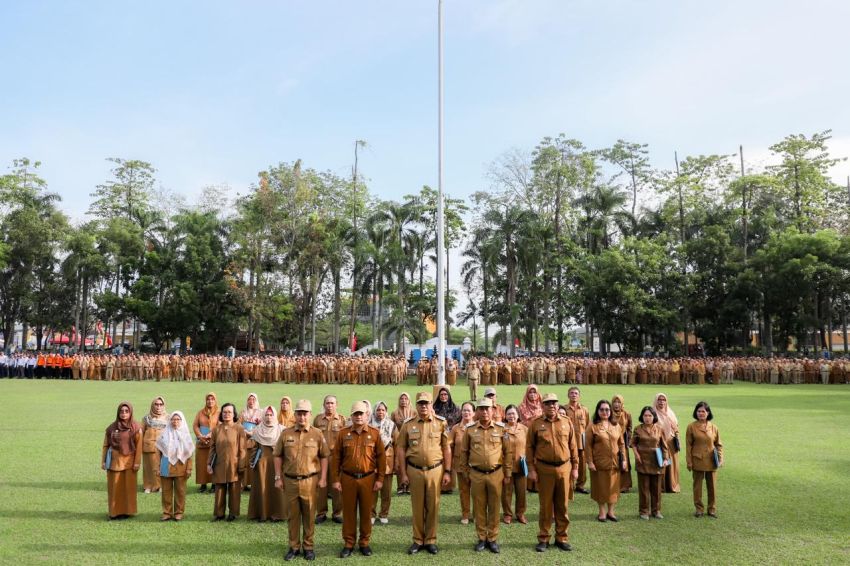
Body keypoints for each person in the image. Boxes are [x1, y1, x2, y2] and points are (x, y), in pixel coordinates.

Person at [396, 391, 451, 555]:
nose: (423, 406)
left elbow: (446, 447)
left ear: (431, 405)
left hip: (436, 470)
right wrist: (403, 474)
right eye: (420, 403)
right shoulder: (408, 424)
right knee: (417, 507)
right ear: (417, 405)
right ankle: (418, 540)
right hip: (414, 470)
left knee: (433, 506)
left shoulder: (441, 423)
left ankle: (431, 540)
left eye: (426, 403)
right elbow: (400, 448)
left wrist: (447, 471)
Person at [274, 399, 329, 562]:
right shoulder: (286, 433)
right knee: (293, 516)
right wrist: (278, 477)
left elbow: (325, 456)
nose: (302, 417)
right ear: (295, 415)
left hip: (310, 481)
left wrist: (324, 477)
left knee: (309, 515)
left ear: (310, 415)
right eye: (299, 413)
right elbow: (277, 455)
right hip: (290, 481)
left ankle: (308, 547)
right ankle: (294, 546)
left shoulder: (317, 434)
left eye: (305, 413)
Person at [331, 401, 387, 558]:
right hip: (347, 478)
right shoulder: (343, 434)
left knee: (366, 512)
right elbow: (336, 458)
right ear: (351, 416)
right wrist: (335, 479)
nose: (358, 417)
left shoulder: (374, 434)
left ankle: (364, 542)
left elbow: (382, 458)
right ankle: (349, 543)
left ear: (367, 415)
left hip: (368, 478)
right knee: (348, 512)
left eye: (361, 414)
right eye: (355, 414)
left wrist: (380, 479)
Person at [526, 392, 578, 553]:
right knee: (546, 506)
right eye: (548, 403)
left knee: (563, 505)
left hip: (564, 468)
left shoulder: (566, 422)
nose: (552, 406)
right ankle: (544, 538)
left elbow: (573, 446)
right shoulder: (536, 424)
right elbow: (529, 448)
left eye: (554, 403)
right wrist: (532, 469)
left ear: (557, 405)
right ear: (543, 406)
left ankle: (562, 537)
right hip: (544, 469)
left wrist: (575, 467)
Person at [459, 397, 511, 554]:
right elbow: (464, 452)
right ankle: (482, 538)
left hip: (496, 473)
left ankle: (492, 538)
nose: (484, 411)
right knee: (479, 507)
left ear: (493, 410)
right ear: (477, 412)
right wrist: (466, 472)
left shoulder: (502, 429)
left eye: (487, 408)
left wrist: (507, 473)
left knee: (495, 507)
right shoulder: (470, 429)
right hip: (476, 474)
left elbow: (508, 452)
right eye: (481, 408)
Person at [587, 400, 627, 522]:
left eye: (607, 409)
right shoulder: (592, 426)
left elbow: (621, 444)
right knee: (601, 487)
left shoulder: (616, 426)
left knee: (613, 488)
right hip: (599, 463)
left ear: (610, 411)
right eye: (602, 409)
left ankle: (611, 512)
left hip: (615, 462)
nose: (605, 412)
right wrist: (590, 462)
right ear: (597, 411)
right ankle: (602, 512)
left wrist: (624, 459)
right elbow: (588, 446)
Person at [102, 401, 142, 520]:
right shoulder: (111, 428)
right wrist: (103, 461)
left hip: (129, 463)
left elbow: (139, 447)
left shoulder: (136, 428)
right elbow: (106, 445)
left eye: (126, 411)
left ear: (130, 413)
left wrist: (137, 462)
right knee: (115, 488)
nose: (124, 414)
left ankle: (127, 511)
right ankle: (114, 512)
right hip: (114, 463)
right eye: (121, 411)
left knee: (128, 489)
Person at [208, 402, 247, 521]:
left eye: (229, 412)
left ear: (234, 414)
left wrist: (241, 465)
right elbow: (212, 447)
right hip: (219, 464)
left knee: (234, 490)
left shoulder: (239, 429)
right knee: (219, 489)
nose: (226, 414)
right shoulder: (216, 429)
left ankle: (233, 513)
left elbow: (242, 448)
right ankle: (219, 514)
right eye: (224, 412)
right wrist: (209, 464)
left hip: (234, 464)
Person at [631, 405, 669, 520]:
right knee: (644, 488)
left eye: (650, 415)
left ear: (654, 417)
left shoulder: (659, 429)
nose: (647, 418)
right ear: (642, 417)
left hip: (657, 461)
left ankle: (656, 511)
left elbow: (664, 446)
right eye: (645, 415)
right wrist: (636, 455)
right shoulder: (638, 429)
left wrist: (666, 458)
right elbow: (633, 443)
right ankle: (644, 511)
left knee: (657, 489)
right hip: (642, 461)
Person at [248, 406, 286, 522]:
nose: (269, 417)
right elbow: (254, 448)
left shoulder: (282, 430)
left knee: (277, 488)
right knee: (262, 487)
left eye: (271, 415)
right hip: (262, 464)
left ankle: (278, 514)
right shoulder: (257, 430)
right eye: (266, 415)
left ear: (275, 416)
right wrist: (252, 461)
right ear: (263, 416)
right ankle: (262, 514)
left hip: (278, 463)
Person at [686, 401, 723, 518]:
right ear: (695, 413)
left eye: (703, 411)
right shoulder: (691, 427)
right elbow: (688, 446)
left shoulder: (714, 427)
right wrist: (689, 461)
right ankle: (699, 509)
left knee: (712, 487)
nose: (701, 413)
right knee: (697, 487)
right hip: (697, 460)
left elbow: (718, 444)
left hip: (712, 461)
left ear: (708, 413)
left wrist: (720, 458)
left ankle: (712, 509)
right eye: (699, 411)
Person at [155, 410, 194, 521]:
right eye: (173, 419)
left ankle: (178, 512)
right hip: (166, 466)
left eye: (178, 419)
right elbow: (158, 452)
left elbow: (190, 454)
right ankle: (167, 513)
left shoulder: (186, 435)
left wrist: (189, 468)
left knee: (180, 491)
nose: (175, 421)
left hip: (181, 466)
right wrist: (157, 467)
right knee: (166, 491)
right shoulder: (164, 434)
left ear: (182, 421)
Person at [313, 395, 346, 524]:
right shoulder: (317, 419)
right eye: (327, 403)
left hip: (336, 457)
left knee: (337, 486)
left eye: (332, 403)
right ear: (324, 404)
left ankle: (337, 513)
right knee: (321, 485)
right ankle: (321, 513)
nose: (330, 405)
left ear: (337, 404)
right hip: (321, 457)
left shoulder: (342, 420)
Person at [369, 401, 397, 525]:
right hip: (372, 462)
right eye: (378, 410)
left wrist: (397, 463)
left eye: (383, 410)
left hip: (388, 462)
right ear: (375, 411)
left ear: (386, 411)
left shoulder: (392, 425)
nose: (380, 412)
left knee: (386, 491)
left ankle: (384, 514)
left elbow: (397, 443)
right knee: (372, 491)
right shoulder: (369, 425)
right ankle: (371, 514)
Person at [501, 404, 528, 525]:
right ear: (505, 416)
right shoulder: (501, 429)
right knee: (506, 492)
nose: (511, 416)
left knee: (521, 492)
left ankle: (520, 513)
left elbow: (530, 446)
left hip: (521, 466)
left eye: (513, 413)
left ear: (518, 415)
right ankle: (507, 514)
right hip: (506, 466)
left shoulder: (524, 429)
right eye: (509, 414)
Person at [449, 401, 476, 524]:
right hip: (460, 465)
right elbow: (449, 445)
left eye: (469, 410)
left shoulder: (478, 427)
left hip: (476, 465)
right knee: (464, 491)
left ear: (474, 413)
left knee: (476, 491)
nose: (466, 413)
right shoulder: (455, 428)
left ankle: (477, 515)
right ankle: (465, 514)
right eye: (464, 410)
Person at [564, 386, 590, 495]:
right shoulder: (564, 409)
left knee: (582, 464)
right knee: (568, 463)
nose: (574, 395)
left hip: (580, 441)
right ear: (568, 395)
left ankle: (580, 485)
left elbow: (587, 424)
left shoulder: (584, 410)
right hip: (568, 441)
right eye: (571, 393)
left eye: (576, 393)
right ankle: (569, 484)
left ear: (579, 396)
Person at [654, 393, 680, 493]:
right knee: (661, 463)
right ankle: (661, 486)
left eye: (663, 400)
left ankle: (672, 485)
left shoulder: (670, 412)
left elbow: (676, 426)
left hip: (671, 442)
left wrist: (676, 435)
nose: (661, 402)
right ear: (656, 401)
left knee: (672, 465)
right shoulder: (653, 413)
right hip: (660, 442)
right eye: (659, 400)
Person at [141, 396, 168, 494]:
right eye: (156, 404)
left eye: (161, 404)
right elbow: (141, 433)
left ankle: (161, 486)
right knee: (148, 467)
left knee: (162, 466)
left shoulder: (168, 418)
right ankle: (148, 486)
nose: (158, 407)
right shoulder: (146, 419)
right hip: (149, 446)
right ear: (153, 405)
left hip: (163, 447)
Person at [193, 392, 219, 493]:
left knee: (214, 462)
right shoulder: (200, 412)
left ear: (215, 400)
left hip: (213, 442)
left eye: (212, 399)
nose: (210, 401)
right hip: (201, 442)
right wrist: (200, 436)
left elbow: (219, 425)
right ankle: (203, 484)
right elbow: (195, 425)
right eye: (208, 399)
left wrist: (210, 434)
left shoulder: (219, 413)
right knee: (201, 463)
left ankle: (214, 484)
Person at [611, 394, 633, 493]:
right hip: (612, 440)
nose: (616, 404)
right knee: (614, 462)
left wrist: (628, 438)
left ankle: (624, 485)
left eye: (619, 402)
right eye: (615, 402)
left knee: (624, 462)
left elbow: (629, 428)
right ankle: (613, 485)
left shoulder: (626, 414)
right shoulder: (608, 413)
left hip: (623, 441)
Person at [240, 393, 262, 491]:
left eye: (253, 399)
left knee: (253, 461)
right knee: (243, 461)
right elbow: (238, 424)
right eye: (249, 399)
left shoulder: (260, 413)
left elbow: (262, 425)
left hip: (255, 441)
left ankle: (253, 484)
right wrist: (245, 431)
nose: (251, 401)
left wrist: (252, 432)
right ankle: (243, 484)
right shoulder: (243, 412)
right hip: (244, 440)